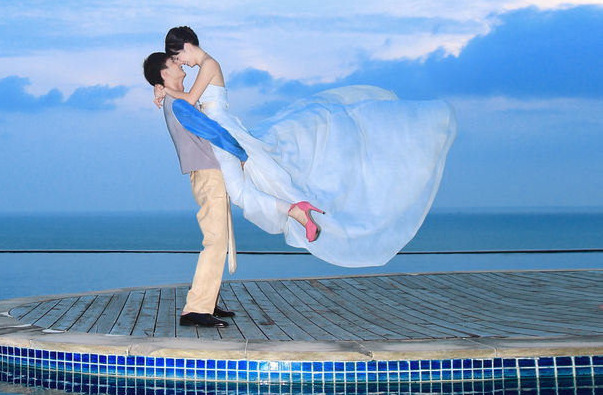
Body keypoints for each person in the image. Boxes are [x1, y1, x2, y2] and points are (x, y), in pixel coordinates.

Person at [158, 25, 457, 269]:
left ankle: (297, 211)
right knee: (252, 187)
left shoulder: (209, 65)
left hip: (222, 131)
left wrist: (162, 89)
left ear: (186, 45)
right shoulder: (206, 67)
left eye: (177, 57)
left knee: (241, 193)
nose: (180, 63)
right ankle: (296, 209)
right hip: (221, 130)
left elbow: (189, 100)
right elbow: (193, 103)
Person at [143, 50, 247, 328]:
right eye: (176, 64)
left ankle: (207, 301)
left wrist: (161, 89)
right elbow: (212, 130)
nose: (182, 68)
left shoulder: (173, 101)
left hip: (205, 174)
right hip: (208, 174)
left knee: (217, 239)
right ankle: (196, 309)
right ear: (165, 74)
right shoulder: (179, 105)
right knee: (215, 240)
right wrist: (241, 153)